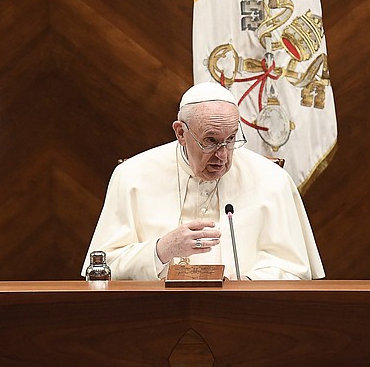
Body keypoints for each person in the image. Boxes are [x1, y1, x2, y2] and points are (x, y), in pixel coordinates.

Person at [82, 82, 324, 280]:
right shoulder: (133, 175)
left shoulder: (272, 180)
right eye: (210, 141)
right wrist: (159, 251)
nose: (223, 156)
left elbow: (293, 269)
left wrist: (243, 286)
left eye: (230, 140)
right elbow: (103, 269)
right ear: (181, 133)